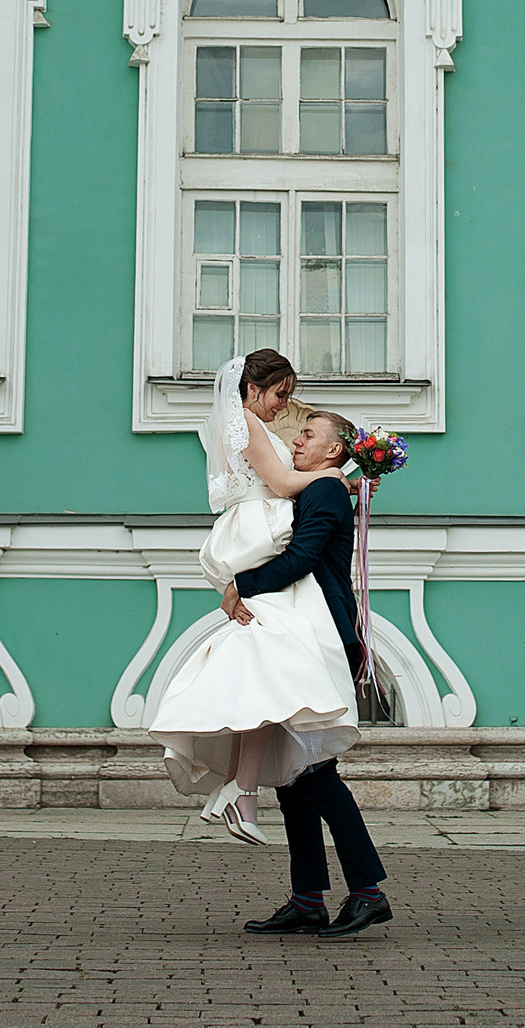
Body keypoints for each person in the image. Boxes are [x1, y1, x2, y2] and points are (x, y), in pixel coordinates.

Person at [146, 351, 360, 845]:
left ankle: (236, 789)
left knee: (259, 675)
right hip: (259, 535)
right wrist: (335, 478)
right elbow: (282, 483)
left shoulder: (248, 423)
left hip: (261, 536)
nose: (284, 406)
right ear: (252, 388)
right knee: (268, 672)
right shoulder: (243, 422)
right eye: (280, 394)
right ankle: (240, 791)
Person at [230, 408, 394, 940]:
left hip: (320, 639)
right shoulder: (324, 487)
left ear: (333, 451)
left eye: (307, 434)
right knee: (294, 775)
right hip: (305, 635)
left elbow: (301, 558)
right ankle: (307, 900)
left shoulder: (323, 490)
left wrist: (239, 585)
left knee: (315, 771)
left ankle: (367, 892)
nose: (296, 441)